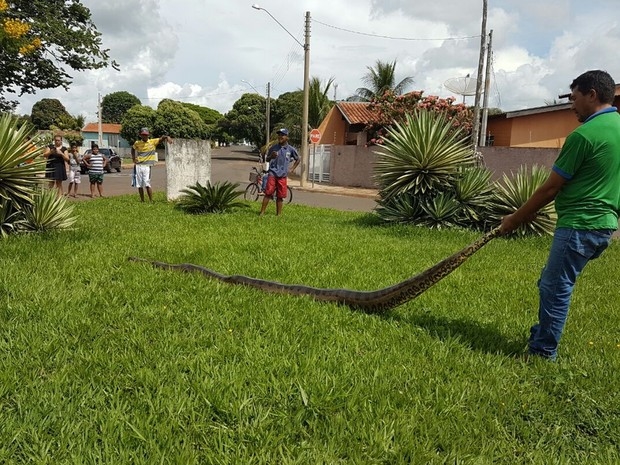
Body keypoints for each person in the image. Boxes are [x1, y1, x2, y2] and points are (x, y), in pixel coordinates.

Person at [500, 70, 620, 361]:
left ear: (592, 94)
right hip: (604, 225)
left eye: (575, 97)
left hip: (579, 224)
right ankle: (541, 334)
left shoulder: (584, 135)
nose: (571, 105)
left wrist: (514, 220)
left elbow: (550, 188)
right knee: (551, 282)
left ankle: (542, 352)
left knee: (555, 287)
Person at [259, 128, 299, 216]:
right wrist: (271, 156)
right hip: (273, 173)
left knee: (280, 196)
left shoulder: (290, 149)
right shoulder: (273, 148)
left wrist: (292, 169)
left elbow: (297, 159)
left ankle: (279, 215)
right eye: (279, 135)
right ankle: (262, 213)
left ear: (287, 137)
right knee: (268, 193)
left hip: (283, 175)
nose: (280, 137)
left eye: (282, 135)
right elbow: (267, 159)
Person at [131, 127, 172, 202]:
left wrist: (167, 137)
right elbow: (133, 148)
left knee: (147, 183)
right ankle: (142, 200)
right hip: (139, 165)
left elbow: (161, 139)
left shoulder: (152, 142)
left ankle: (151, 200)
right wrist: (133, 158)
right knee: (139, 184)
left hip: (147, 166)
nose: (144, 136)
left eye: (146, 135)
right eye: (143, 135)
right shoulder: (137, 143)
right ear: (140, 135)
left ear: (148, 135)